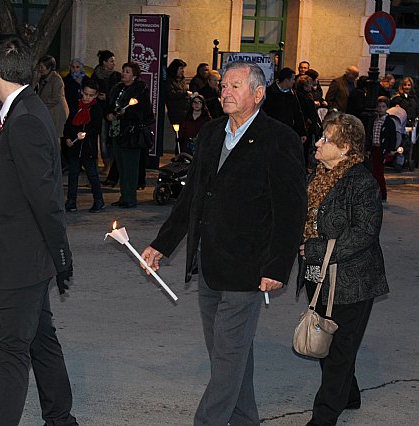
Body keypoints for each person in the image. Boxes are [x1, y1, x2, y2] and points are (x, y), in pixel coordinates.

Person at [141, 60, 307, 426]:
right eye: (224, 86)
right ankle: (246, 419)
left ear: (258, 94)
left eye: (234, 86)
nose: (225, 92)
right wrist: (162, 244)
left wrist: (277, 266)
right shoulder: (213, 132)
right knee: (227, 356)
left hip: (248, 269)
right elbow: (192, 198)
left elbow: (291, 210)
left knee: (228, 357)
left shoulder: (280, 140)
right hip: (209, 265)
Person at [0, 33, 77, 426]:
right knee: (40, 338)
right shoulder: (21, 110)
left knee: (11, 351)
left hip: (20, 260)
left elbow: (47, 200)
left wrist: (61, 257)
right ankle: (61, 417)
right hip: (21, 256)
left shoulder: (25, 121)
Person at [298, 113, 389, 426]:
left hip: (353, 281)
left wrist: (315, 249)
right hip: (318, 276)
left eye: (326, 140)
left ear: (346, 147)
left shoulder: (362, 183)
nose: (318, 144)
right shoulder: (318, 175)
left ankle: (323, 418)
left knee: (340, 350)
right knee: (327, 341)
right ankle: (349, 394)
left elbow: (365, 233)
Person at [107, 61, 154, 208]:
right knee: (120, 165)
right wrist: (109, 114)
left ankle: (130, 197)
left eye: (127, 71)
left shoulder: (140, 91)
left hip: (131, 133)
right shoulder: (118, 89)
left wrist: (127, 113)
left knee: (130, 167)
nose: (124, 73)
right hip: (117, 130)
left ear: (134, 75)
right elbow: (111, 105)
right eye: (123, 70)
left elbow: (145, 113)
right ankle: (124, 195)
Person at [63, 79, 105, 213]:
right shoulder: (76, 106)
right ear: (82, 92)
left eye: (91, 95)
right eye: (86, 94)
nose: (87, 98)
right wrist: (68, 138)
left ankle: (98, 200)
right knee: (73, 174)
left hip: (88, 148)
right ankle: (71, 201)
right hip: (75, 148)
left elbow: (97, 128)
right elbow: (69, 124)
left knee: (92, 175)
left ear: (96, 95)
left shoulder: (96, 110)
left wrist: (86, 133)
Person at [90, 49, 121, 178]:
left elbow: (117, 93)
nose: (113, 64)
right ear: (104, 62)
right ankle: (106, 163)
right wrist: (98, 96)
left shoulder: (117, 76)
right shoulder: (96, 76)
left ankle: (113, 164)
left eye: (114, 61)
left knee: (111, 138)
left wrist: (107, 97)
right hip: (100, 111)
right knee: (103, 138)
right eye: (111, 61)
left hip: (113, 111)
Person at [262, 67, 307, 143]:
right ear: (286, 80)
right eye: (292, 79)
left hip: (287, 131)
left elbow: (297, 113)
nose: (294, 82)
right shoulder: (269, 93)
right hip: (271, 132)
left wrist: (302, 132)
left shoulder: (292, 94)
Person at [35, 55, 70, 140]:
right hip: (48, 113)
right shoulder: (43, 78)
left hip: (56, 114)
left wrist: (42, 106)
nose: (40, 69)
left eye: (42, 67)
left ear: (49, 67)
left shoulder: (56, 80)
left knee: (55, 139)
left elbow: (56, 97)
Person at [369, 96, 397, 201]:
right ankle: (375, 193)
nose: (381, 108)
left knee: (379, 172)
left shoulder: (389, 121)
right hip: (374, 148)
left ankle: (382, 193)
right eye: (379, 106)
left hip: (382, 149)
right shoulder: (375, 120)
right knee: (374, 172)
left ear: (387, 108)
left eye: (383, 106)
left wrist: (389, 150)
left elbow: (392, 137)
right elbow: (371, 134)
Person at [165, 58, 190, 127]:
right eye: (181, 68)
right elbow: (171, 94)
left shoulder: (182, 79)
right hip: (176, 111)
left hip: (185, 110)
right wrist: (185, 93)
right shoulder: (169, 80)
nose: (183, 71)